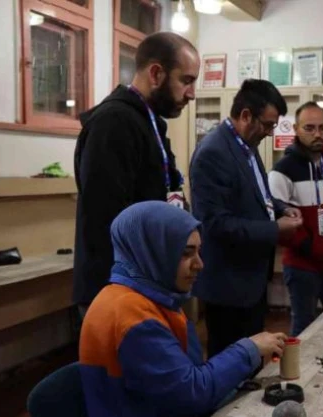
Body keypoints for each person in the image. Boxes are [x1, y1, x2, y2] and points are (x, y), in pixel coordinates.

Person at [79, 201, 287, 417]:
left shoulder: (149, 298)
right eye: (186, 253)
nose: (199, 264)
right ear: (152, 251)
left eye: (198, 252)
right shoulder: (133, 317)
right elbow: (191, 395)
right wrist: (249, 350)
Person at [73, 32, 200, 315]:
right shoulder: (113, 122)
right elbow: (106, 217)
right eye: (186, 81)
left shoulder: (149, 122)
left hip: (148, 283)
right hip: (118, 290)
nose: (191, 93)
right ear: (156, 74)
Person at [190, 79, 302, 357]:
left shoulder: (245, 145)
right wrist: (275, 229)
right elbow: (215, 224)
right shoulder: (213, 152)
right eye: (267, 125)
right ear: (245, 115)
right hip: (229, 286)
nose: (270, 133)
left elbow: (257, 194)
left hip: (251, 280)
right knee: (231, 363)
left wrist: (281, 208)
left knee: (252, 359)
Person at [268, 101, 323, 336]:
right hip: (303, 267)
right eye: (310, 128)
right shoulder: (283, 169)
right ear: (296, 129)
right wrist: (310, 246)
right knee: (304, 329)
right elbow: (277, 218)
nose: (318, 134)